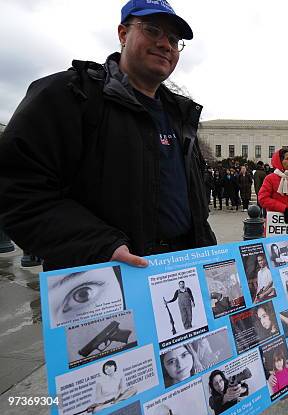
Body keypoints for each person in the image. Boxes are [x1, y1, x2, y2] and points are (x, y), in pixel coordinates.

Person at [0, 0, 216, 271]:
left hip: (179, 269)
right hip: (101, 275)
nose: (165, 44)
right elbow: (17, 192)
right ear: (123, 34)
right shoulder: (70, 96)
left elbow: (192, 206)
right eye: (152, 30)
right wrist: (100, 245)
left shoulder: (180, 116)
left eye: (174, 39)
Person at [258, 148, 288, 225]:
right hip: (274, 222)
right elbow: (263, 199)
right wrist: (283, 209)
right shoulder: (270, 178)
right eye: (287, 159)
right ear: (279, 161)